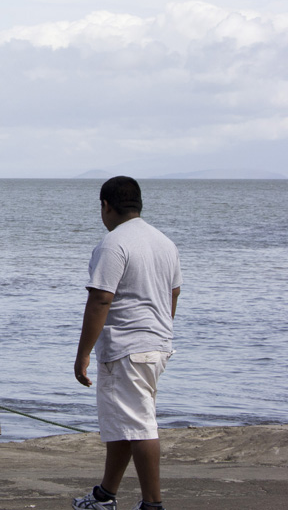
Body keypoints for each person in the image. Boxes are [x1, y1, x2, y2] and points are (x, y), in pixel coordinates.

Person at [72, 177, 182, 510]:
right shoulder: (164, 243)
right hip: (156, 344)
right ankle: (106, 495)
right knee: (122, 423)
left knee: (140, 424)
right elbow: (173, 292)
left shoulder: (114, 243)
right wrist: (160, 331)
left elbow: (101, 300)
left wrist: (83, 354)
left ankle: (153, 504)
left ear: (105, 206)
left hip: (127, 348)